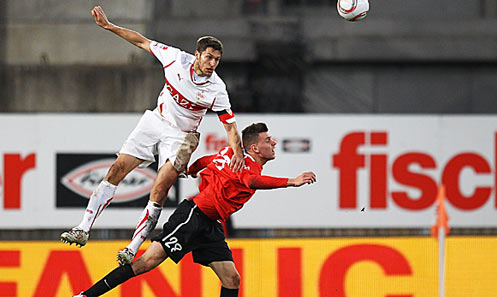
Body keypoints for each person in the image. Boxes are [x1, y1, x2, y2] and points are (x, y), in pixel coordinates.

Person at [60, 5, 245, 266]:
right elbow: (141, 41)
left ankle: (133, 247)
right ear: (196, 55)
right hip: (155, 121)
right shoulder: (174, 59)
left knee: (160, 187)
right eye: (209, 58)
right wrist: (109, 26)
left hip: (182, 136)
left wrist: (237, 152)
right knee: (117, 169)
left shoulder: (217, 88)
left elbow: (229, 125)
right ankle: (83, 228)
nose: (212, 64)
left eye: (217, 60)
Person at [72, 122, 316, 297]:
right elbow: (251, 182)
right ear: (254, 148)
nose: (273, 142)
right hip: (192, 216)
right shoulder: (248, 165)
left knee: (232, 279)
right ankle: (86, 295)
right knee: (145, 263)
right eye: (267, 140)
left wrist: (191, 169)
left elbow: (207, 161)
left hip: (211, 225)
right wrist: (291, 181)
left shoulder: (231, 154)